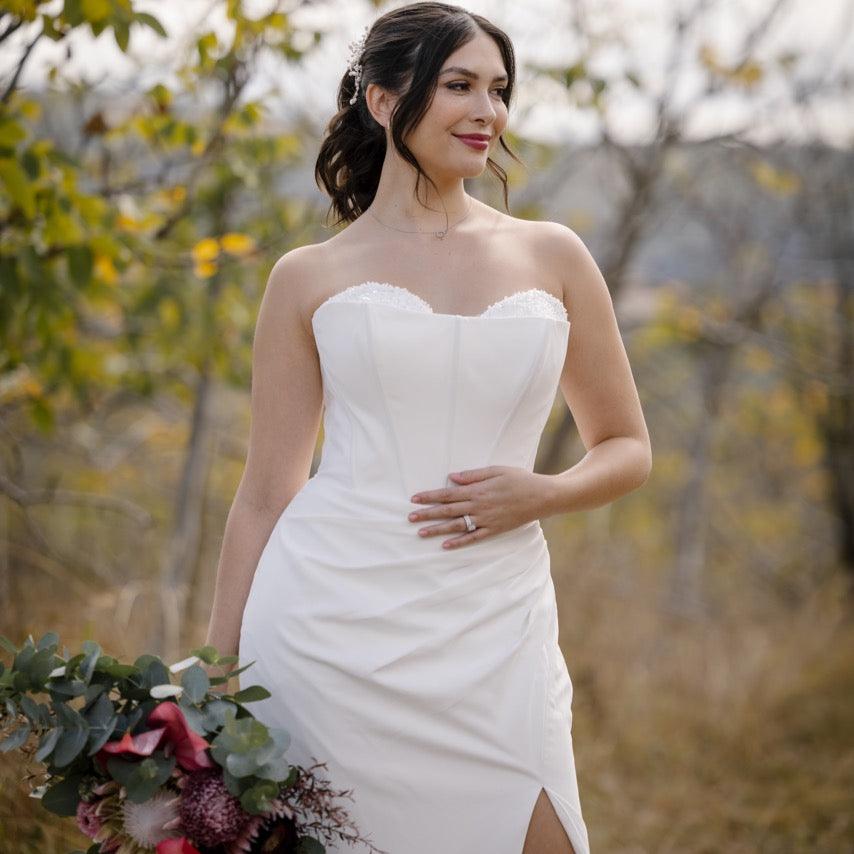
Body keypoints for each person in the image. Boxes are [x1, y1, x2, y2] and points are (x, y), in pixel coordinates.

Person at [206, 3, 652, 852]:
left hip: (496, 620)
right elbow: (266, 492)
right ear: (382, 99)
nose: (487, 110)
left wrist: (542, 494)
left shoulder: (553, 255)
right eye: (459, 85)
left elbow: (628, 447)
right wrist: (217, 678)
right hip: (326, 624)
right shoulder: (305, 277)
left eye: (499, 89)